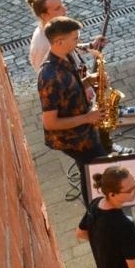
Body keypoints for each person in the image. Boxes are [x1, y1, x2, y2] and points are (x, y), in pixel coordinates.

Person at [39, 17, 109, 166]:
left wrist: (89, 80)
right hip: (74, 140)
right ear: (59, 42)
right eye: (75, 39)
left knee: (91, 175)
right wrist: (88, 118)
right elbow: (50, 123)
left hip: (85, 131)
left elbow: (69, 92)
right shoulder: (49, 78)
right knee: (99, 169)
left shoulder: (67, 55)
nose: (79, 41)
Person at [26, 0, 106, 72]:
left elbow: (69, 48)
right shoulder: (42, 46)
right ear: (44, 15)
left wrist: (91, 46)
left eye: (62, 5)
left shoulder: (57, 27)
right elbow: (47, 80)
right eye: (57, 8)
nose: (64, 9)